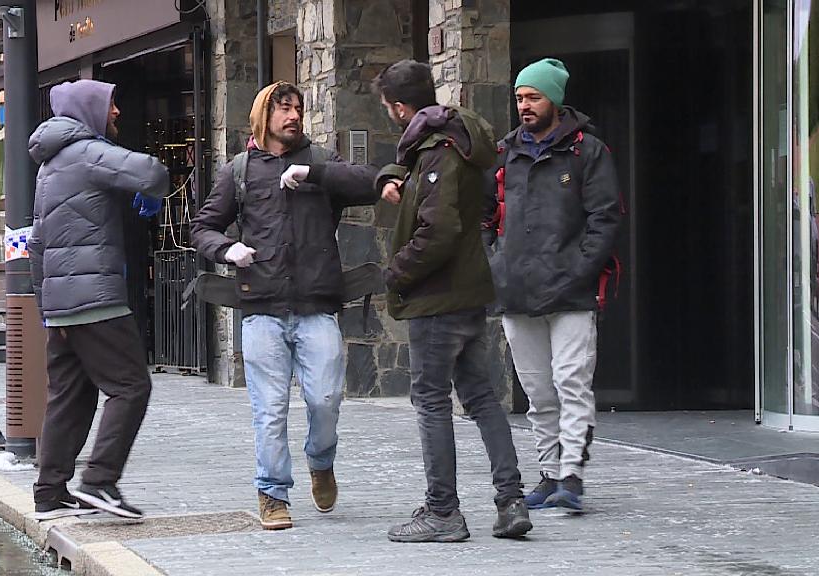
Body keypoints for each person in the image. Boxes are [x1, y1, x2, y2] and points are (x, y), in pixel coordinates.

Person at [190, 81, 378, 530]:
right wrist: (226, 249)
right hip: (261, 309)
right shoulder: (240, 170)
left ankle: (321, 460)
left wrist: (315, 176)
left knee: (327, 399)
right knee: (270, 408)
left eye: (297, 109)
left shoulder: (320, 160)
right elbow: (202, 228)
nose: (293, 116)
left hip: (316, 307)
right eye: (284, 109)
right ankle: (272, 491)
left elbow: (370, 183)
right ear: (263, 116)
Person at [373, 59, 532, 543]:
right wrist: (393, 174)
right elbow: (462, 202)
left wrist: (396, 271)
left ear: (400, 108)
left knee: (432, 400)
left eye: (388, 109)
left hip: (438, 297)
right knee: (481, 397)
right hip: (465, 290)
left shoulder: (438, 150)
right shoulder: (454, 139)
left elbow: (438, 230)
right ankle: (511, 500)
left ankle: (443, 511)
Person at [27, 79, 168, 521]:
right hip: (96, 299)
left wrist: (46, 307)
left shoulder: (49, 167)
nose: (118, 114)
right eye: (110, 105)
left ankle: (50, 492)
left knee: (71, 395)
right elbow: (153, 173)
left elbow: (37, 243)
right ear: (89, 110)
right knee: (131, 387)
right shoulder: (85, 151)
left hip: (63, 303)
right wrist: (146, 192)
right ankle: (100, 481)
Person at [484, 58, 622, 512]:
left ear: (554, 101)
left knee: (571, 382)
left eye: (533, 97)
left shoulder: (588, 152)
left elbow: (605, 218)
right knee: (538, 390)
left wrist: (579, 270)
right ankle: (548, 473)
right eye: (520, 97)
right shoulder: (505, 153)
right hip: (516, 291)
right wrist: (496, 261)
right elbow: (485, 216)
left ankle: (572, 477)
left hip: (571, 292)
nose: (524, 105)